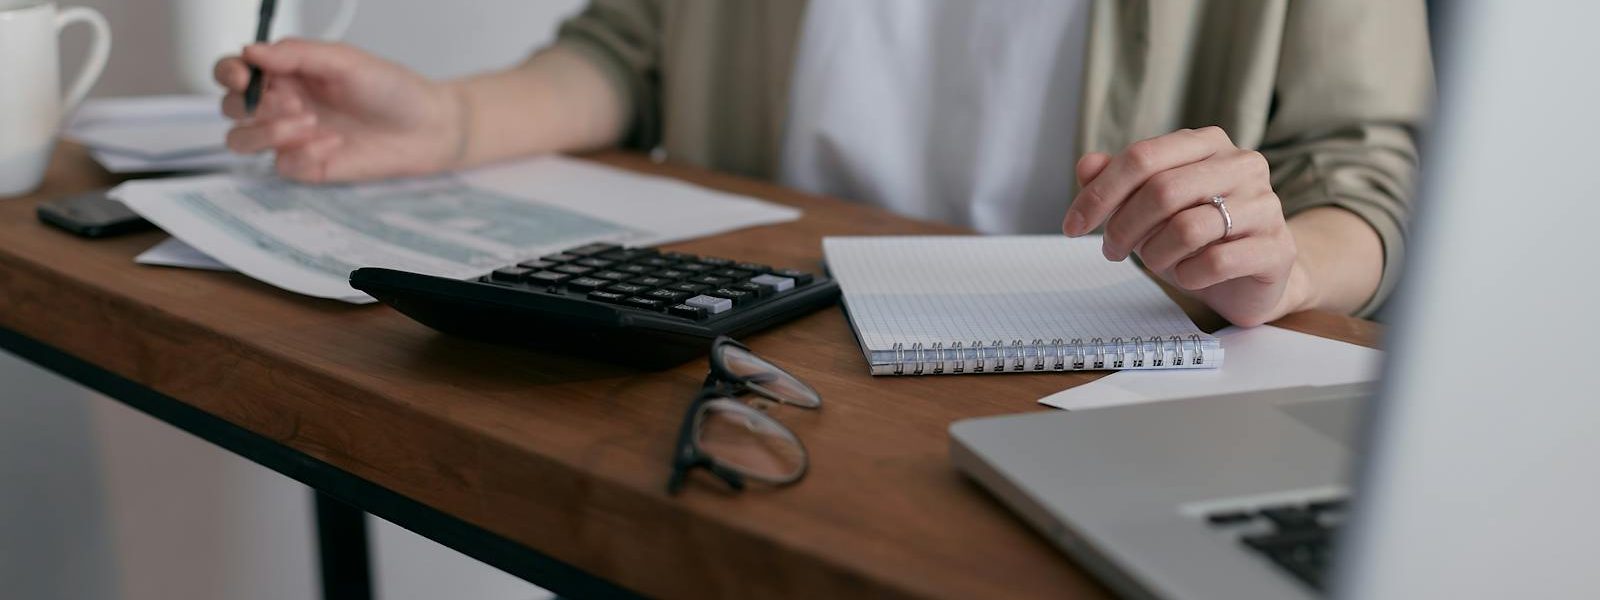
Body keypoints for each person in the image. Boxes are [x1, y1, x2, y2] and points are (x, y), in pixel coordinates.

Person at [213, 0, 1432, 327]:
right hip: (763, 345)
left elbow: (1364, 173)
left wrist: (1281, 264)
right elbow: (636, 52)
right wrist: (443, 118)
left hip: (1081, 375)